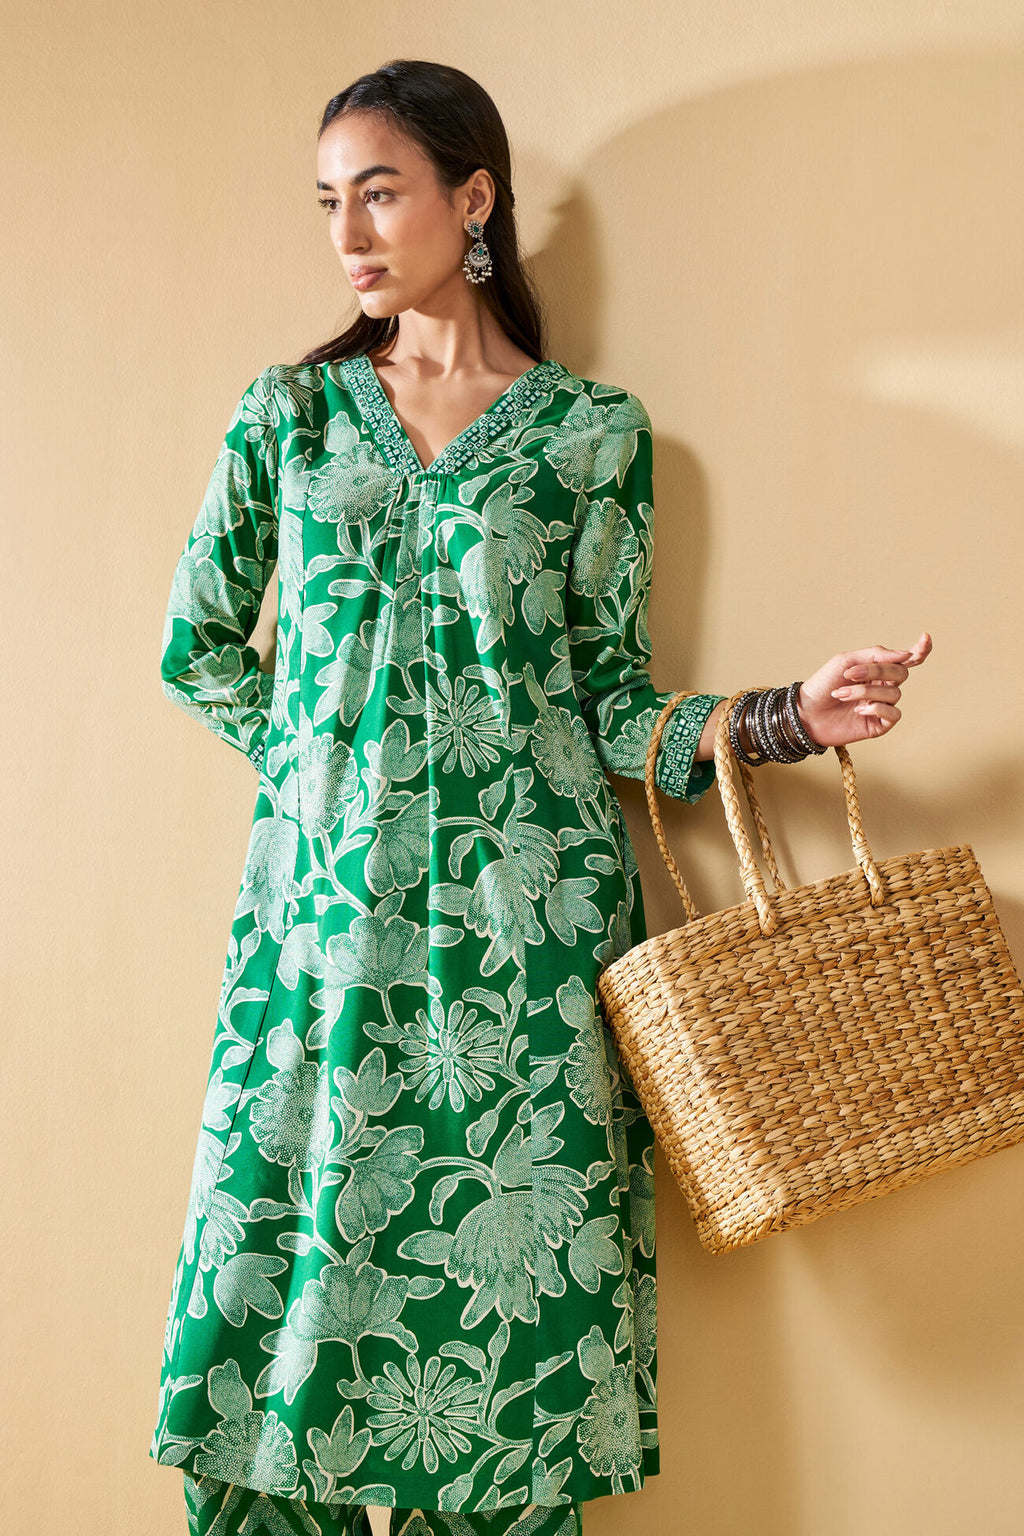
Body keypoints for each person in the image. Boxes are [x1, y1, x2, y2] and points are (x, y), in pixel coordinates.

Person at [150, 59, 933, 1536]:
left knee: (503, 1339)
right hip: (321, 941)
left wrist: (781, 716)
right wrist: (330, 775)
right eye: (329, 201)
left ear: (474, 195)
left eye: (380, 190)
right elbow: (195, 649)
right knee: (278, 1318)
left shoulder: (591, 436)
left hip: (530, 942)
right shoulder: (289, 419)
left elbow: (611, 705)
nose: (349, 232)